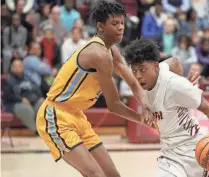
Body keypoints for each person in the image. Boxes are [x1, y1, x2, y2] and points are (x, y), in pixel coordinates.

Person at [36, 1, 200, 177]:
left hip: (77, 115)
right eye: (115, 24)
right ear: (100, 26)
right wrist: (142, 119)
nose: (121, 27)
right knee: (95, 174)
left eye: (122, 23)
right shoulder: (99, 54)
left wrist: (146, 105)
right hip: (56, 115)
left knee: (112, 175)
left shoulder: (111, 50)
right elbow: (113, 104)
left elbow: (132, 82)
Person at [124, 38, 209, 177]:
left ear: (156, 66)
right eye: (134, 70)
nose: (138, 75)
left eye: (142, 69)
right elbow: (174, 61)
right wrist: (146, 107)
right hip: (171, 157)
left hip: (199, 150)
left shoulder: (175, 85)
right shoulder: (148, 77)